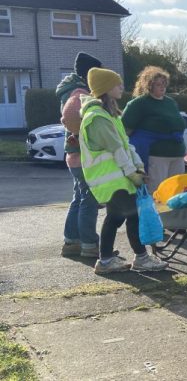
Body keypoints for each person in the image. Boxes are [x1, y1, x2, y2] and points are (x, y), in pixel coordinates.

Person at [78, 67, 169, 274]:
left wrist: (138, 166)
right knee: (130, 216)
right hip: (112, 179)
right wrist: (133, 174)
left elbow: (127, 146)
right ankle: (139, 258)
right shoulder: (97, 117)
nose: (122, 87)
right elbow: (117, 150)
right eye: (117, 84)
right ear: (106, 88)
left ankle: (108, 260)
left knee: (117, 217)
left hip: (118, 177)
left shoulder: (110, 115)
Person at [57, 52, 102, 258]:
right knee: (89, 200)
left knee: (79, 197)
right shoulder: (80, 92)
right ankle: (89, 244)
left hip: (73, 155)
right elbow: (70, 119)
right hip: (82, 155)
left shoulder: (69, 90)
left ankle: (72, 241)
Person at [122, 66, 186, 194]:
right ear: (149, 85)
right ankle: (155, 214)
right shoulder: (139, 103)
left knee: (176, 191)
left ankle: (172, 215)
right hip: (156, 155)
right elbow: (125, 129)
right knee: (157, 191)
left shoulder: (170, 102)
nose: (162, 87)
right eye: (158, 84)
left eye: (164, 84)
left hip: (177, 153)